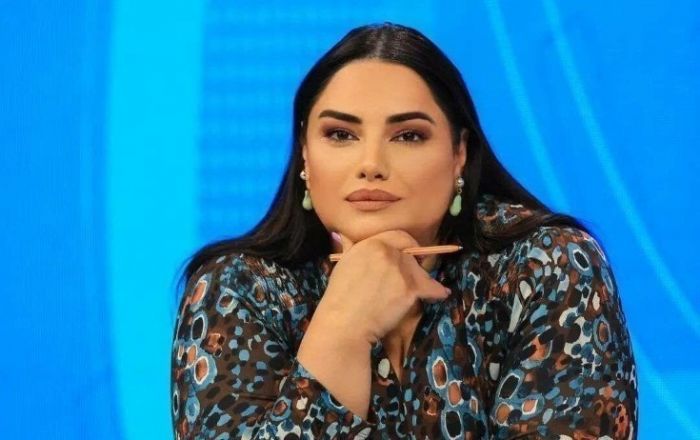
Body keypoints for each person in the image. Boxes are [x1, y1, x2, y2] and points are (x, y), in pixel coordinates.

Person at [170, 22, 637, 439]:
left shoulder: (548, 264)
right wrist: (344, 325)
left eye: (409, 135)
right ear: (305, 156)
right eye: (340, 135)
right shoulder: (237, 288)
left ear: (459, 154)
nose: (371, 164)